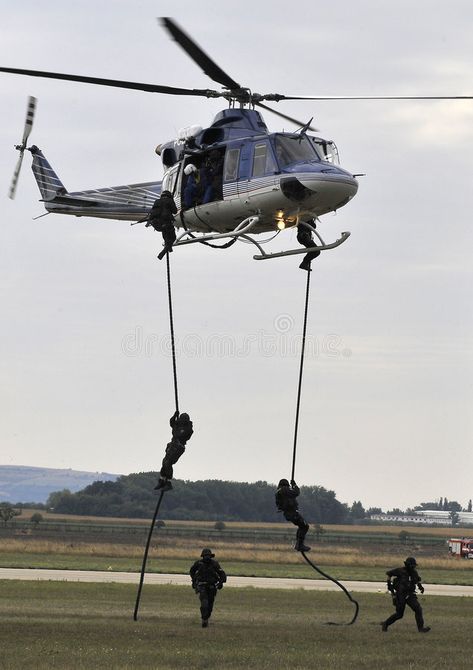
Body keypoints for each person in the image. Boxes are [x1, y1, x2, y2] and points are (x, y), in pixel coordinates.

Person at [381, 557, 431, 633]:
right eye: (412, 565)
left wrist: (420, 587)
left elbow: (416, 580)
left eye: (414, 566)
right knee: (399, 614)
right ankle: (385, 624)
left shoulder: (414, 572)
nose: (413, 567)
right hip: (400, 595)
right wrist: (390, 587)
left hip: (410, 594)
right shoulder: (400, 571)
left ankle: (421, 628)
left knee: (418, 609)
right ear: (408, 565)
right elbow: (389, 574)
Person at [154, 411, 194, 492]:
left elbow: (178, 435)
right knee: (164, 461)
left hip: (178, 447)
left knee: (168, 462)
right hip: (172, 445)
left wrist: (176, 426)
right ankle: (162, 479)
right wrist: (174, 415)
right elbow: (171, 423)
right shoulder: (178, 425)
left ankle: (168, 482)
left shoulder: (188, 429)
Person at [190, 548, 227, 628]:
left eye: (208, 556)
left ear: (211, 556)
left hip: (212, 587)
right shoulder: (198, 563)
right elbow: (192, 571)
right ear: (202, 556)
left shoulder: (214, 564)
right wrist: (193, 581)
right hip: (202, 586)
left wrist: (221, 583)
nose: (207, 557)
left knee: (210, 606)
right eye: (205, 556)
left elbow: (222, 574)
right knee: (204, 603)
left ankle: (206, 617)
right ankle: (204, 619)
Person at [275, 478, 310, 552]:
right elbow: (296, 492)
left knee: (302, 526)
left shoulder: (278, 492)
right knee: (305, 526)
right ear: (286, 485)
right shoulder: (284, 490)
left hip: (288, 514)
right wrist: (294, 485)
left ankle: (299, 544)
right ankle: (299, 545)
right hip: (292, 513)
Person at [145, 190, 177, 260]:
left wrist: (148, 223)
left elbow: (152, 213)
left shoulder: (157, 201)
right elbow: (175, 211)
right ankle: (165, 249)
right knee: (173, 237)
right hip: (166, 224)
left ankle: (168, 245)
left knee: (165, 233)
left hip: (157, 225)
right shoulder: (169, 201)